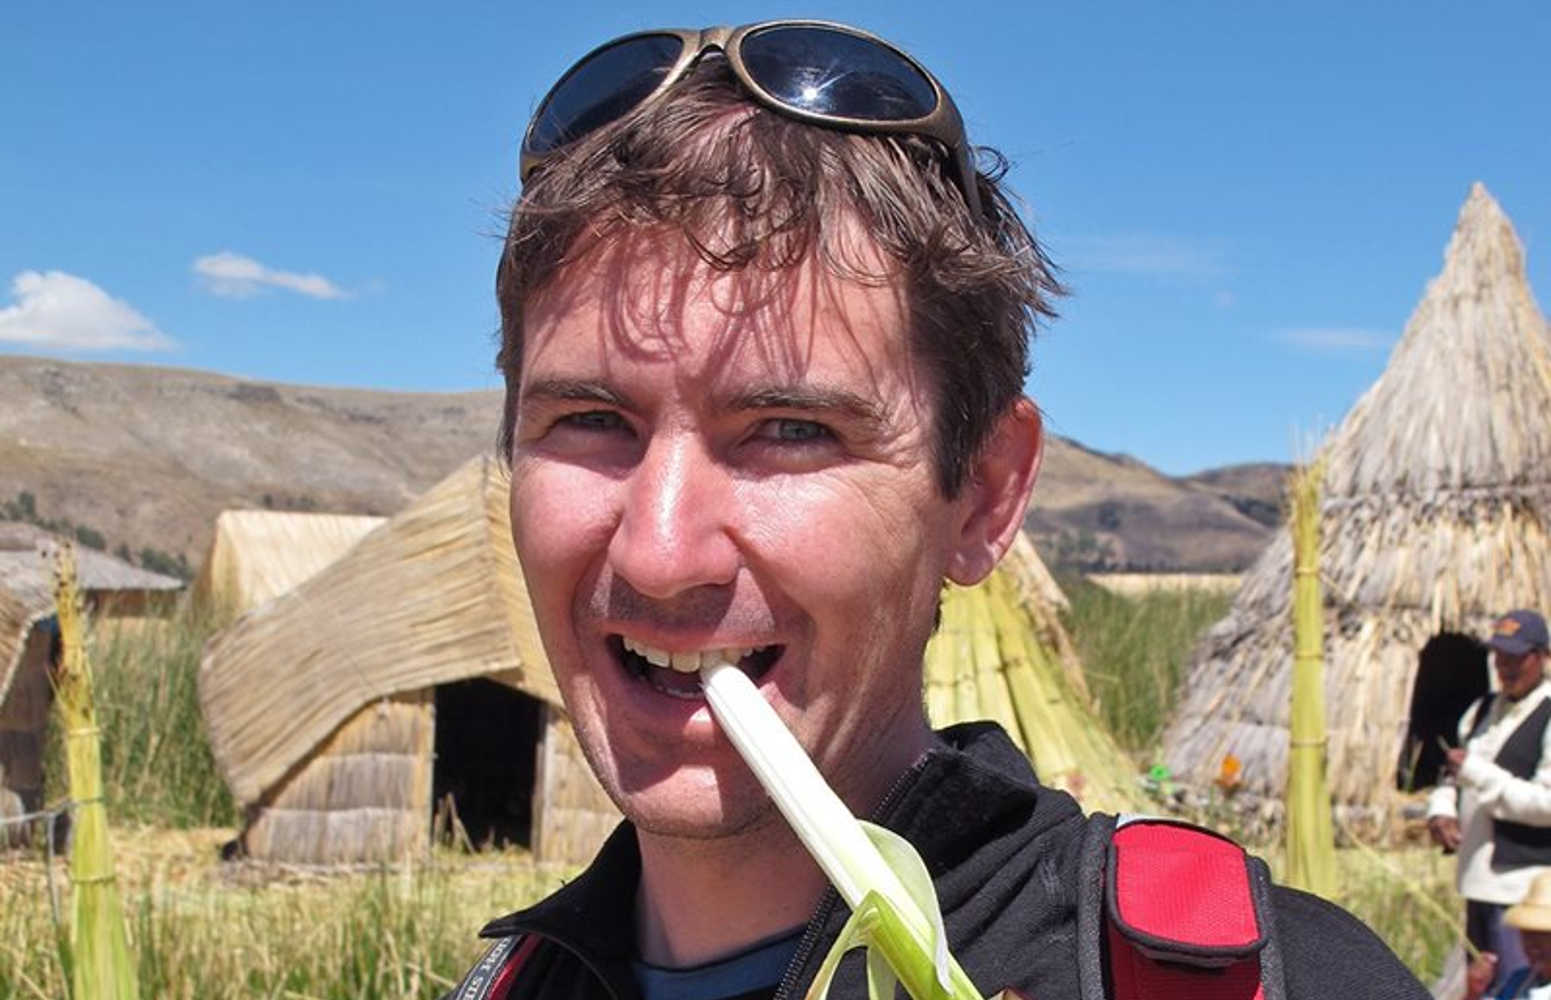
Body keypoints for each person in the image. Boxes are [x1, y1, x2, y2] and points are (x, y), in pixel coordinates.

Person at [448, 20, 1428, 1000]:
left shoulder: (1258, 982)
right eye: (589, 421)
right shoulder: (506, 986)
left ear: (984, 497)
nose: (660, 555)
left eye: (789, 430)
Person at [1430, 610, 1551, 993]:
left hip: (1521, 891)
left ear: (1542, 657)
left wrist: (1477, 774)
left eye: (1516, 658)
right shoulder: (1481, 711)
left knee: (1521, 988)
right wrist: (1442, 808)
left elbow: (1546, 804)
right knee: (1479, 987)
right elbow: (1453, 771)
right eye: (1500, 657)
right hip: (1476, 885)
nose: (1505, 667)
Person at [1466, 870, 1551, 999]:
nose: (1533, 945)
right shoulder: (1519, 982)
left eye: (1543, 935)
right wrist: (1473, 992)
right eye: (1527, 935)